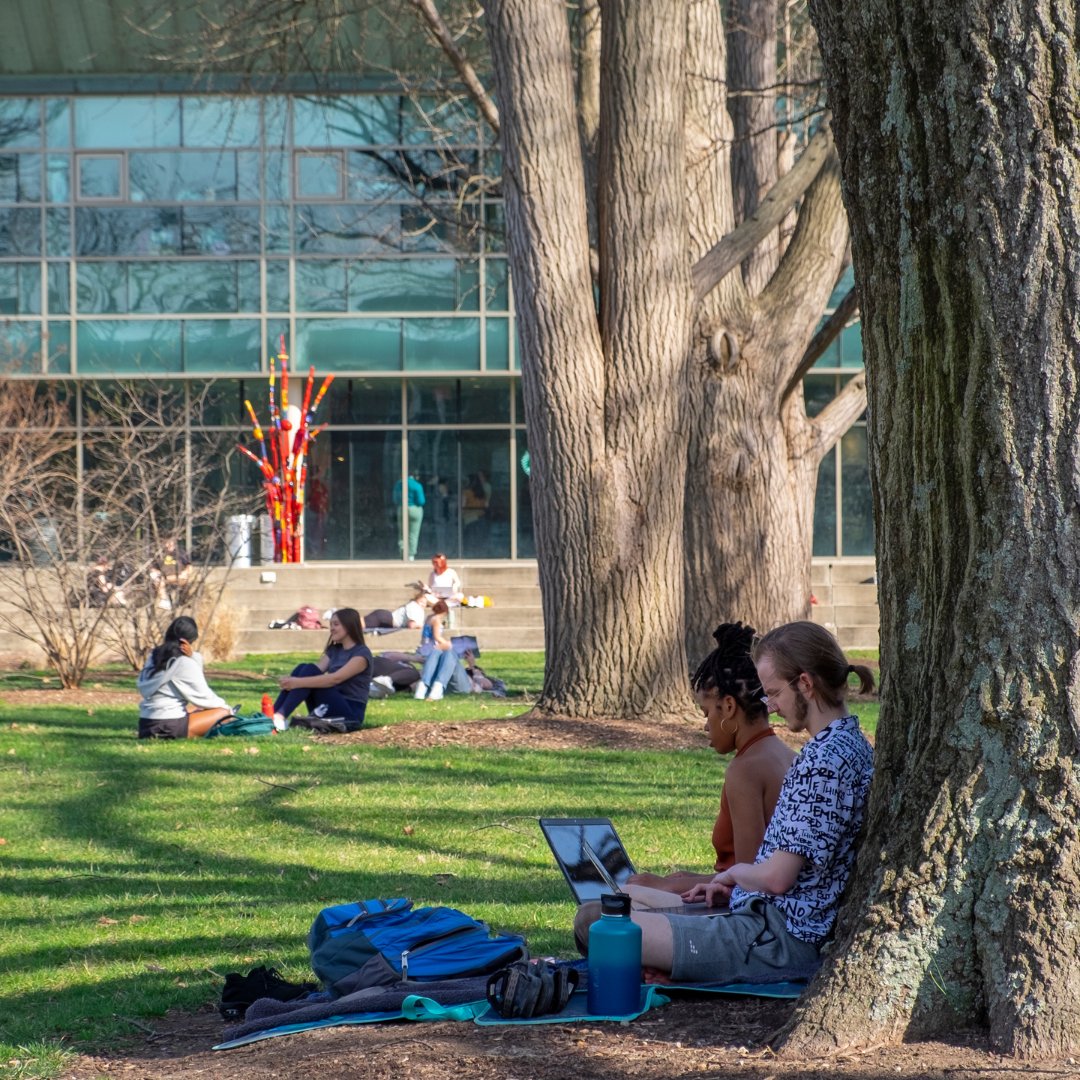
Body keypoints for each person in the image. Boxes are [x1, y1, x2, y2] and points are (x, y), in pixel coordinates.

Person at [630, 621, 875, 985]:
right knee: (621, 911)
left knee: (599, 923)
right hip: (769, 923)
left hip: (775, 938)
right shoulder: (851, 746)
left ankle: (680, 967)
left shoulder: (821, 764)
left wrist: (730, 875)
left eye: (774, 692)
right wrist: (733, 885)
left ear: (805, 684)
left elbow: (776, 879)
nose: (771, 706)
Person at [629, 622, 795, 894]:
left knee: (599, 912)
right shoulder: (785, 754)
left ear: (728, 706)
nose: (706, 725)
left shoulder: (745, 770)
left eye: (707, 713)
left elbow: (748, 878)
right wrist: (685, 879)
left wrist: (664, 885)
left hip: (744, 912)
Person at [271, 607, 373, 732]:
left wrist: (296, 682)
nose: (332, 629)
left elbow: (335, 679)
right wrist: (292, 681)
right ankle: (273, 715)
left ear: (349, 626)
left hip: (349, 712)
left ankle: (280, 716)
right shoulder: (335, 650)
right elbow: (314, 671)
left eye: (336, 624)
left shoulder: (361, 654)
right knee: (304, 667)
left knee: (306, 673)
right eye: (331, 625)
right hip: (328, 704)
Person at [137, 616, 234, 739]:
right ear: (187, 642)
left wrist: (192, 656)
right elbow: (204, 696)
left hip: (146, 725)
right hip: (170, 726)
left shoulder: (153, 657)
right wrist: (229, 709)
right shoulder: (183, 662)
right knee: (223, 713)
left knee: (197, 708)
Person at [413, 600, 471, 700]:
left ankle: (423, 687)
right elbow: (437, 637)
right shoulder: (436, 619)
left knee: (443, 651)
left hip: (426, 647)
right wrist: (449, 644)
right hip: (450, 683)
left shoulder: (429, 617)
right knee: (447, 650)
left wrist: (472, 666)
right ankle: (437, 688)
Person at [361, 584, 433, 631]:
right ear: (417, 599)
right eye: (421, 602)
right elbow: (411, 625)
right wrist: (422, 625)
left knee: (362, 623)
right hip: (384, 618)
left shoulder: (417, 607)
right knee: (361, 624)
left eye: (425, 603)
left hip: (386, 620)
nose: (423, 604)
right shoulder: (414, 607)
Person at [149, 537, 191, 611]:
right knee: (156, 578)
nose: (168, 545)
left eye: (170, 542)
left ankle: (166, 601)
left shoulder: (180, 553)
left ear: (173, 543)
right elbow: (152, 567)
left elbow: (189, 565)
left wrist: (186, 572)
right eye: (166, 542)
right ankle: (165, 600)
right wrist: (156, 571)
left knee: (161, 580)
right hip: (164, 578)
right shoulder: (161, 554)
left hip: (178, 577)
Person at [392, 469, 425, 561]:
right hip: (414, 509)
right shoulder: (417, 485)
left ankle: (402, 552)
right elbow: (421, 501)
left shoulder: (398, 484)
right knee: (413, 533)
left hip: (402, 508)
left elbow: (395, 499)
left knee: (402, 533)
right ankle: (411, 555)